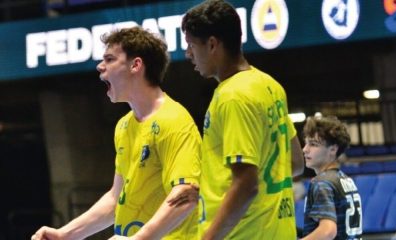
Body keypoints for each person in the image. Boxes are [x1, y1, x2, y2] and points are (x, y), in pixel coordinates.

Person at [31, 26, 201, 240]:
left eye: (110, 59)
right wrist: (65, 234)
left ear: (135, 65)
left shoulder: (174, 120)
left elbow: (187, 196)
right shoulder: (124, 126)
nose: (100, 66)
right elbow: (116, 199)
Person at [176, 0, 304, 239]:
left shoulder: (233, 96)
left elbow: (246, 185)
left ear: (212, 44)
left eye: (192, 45)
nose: (188, 54)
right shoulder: (270, 85)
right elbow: (296, 163)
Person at [301, 116, 362, 240]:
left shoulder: (322, 183)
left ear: (333, 149)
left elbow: (328, 231)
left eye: (313, 144)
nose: (305, 149)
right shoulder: (346, 179)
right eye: (306, 143)